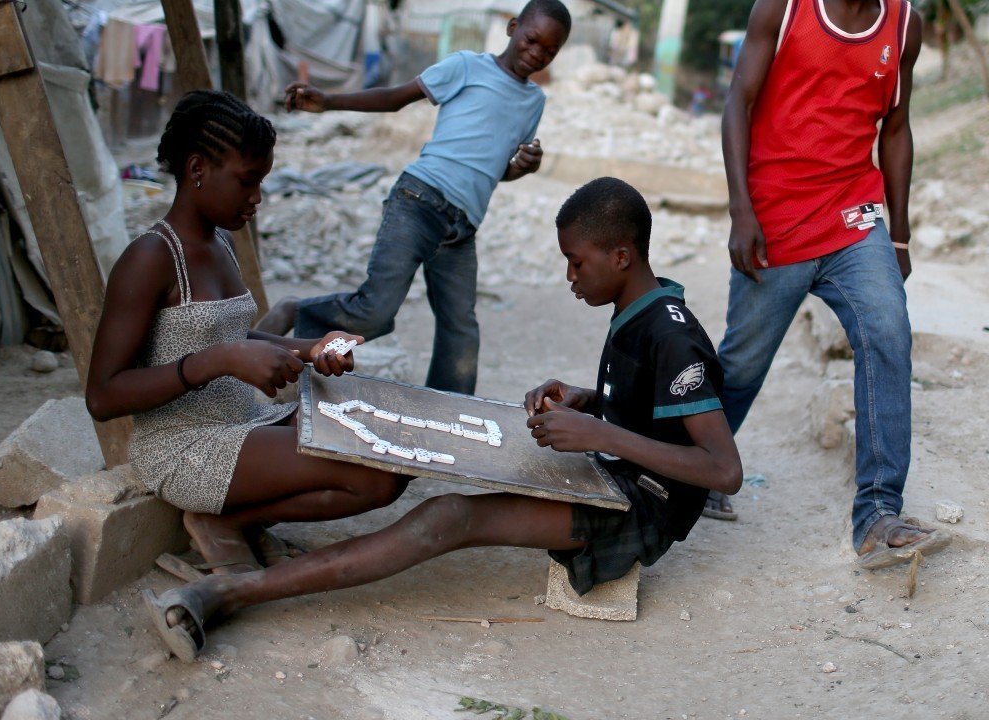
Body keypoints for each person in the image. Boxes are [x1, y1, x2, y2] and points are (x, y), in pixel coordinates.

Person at [141, 177, 743, 663]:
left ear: (621, 255)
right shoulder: (637, 310)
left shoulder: (672, 334)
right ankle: (232, 530)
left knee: (449, 516)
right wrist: (588, 400)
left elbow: (723, 469)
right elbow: (652, 412)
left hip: (638, 510)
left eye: (577, 263)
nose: (569, 277)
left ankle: (229, 590)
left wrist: (601, 435)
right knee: (438, 452)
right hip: (613, 470)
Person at [86, 90, 407, 576]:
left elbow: (236, 335)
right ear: (197, 171)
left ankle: (237, 519)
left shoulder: (221, 241)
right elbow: (103, 395)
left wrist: (309, 348)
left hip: (246, 425)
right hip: (186, 447)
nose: (257, 198)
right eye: (247, 181)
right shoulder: (150, 258)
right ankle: (222, 520)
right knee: (373, 472)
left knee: (390, 449)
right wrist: (215, 362)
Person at [713, 0, 949, 567]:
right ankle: (693, 471)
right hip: (775, 222)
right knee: (741, 364)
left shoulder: (903, 25)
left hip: (853, 216)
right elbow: (737, 104)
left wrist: (899, 236)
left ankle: (877, 515)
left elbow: (895, 128)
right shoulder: (783, 9)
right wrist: (741, 210)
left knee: (889, 333)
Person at [255, 0, 573, 396]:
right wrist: (331, 101)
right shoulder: (466, 66)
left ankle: (447, 412)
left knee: (461, 330)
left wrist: (523, 167)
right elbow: (397, 96)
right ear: (512, 28)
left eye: (549, 50)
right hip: (419, 200)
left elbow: (496, 167)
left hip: (461, 228)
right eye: (531, 40)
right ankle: (297, 312)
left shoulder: (534, 101)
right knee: (375, 312)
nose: (537, 53)